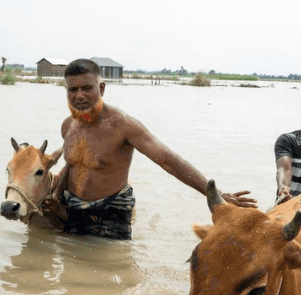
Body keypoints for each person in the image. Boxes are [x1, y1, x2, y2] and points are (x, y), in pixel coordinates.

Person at [47, 59, 255, 240]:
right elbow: (73, 164)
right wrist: (56, 194)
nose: (79, 96)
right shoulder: (68, 126)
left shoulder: (123, 125)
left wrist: (214, 195)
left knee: (112, 272)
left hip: (112, 214)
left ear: (101, 88)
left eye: (87, 88)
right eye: (72, 90)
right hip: (73, 211)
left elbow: (168, 161)